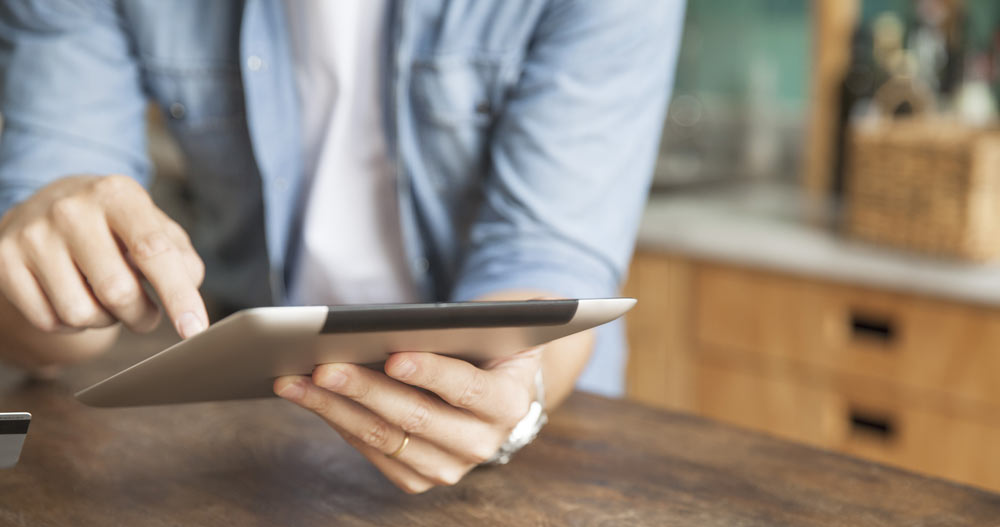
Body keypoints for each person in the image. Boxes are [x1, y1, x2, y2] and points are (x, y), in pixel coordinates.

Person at [0, 1, 683, 492]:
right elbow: (49, 332)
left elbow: (546, 262)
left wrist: (514, 397)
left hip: (538, 458)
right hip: (238, 438)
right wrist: (45, 263)